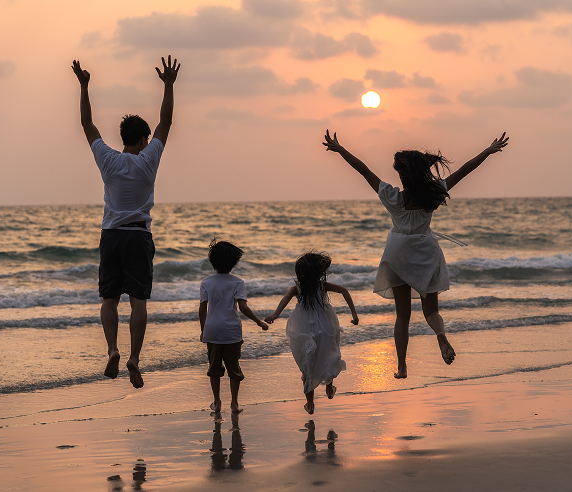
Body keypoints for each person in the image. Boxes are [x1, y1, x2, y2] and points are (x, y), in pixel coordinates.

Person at [323, 129, 509, 378]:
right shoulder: (433, 193)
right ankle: (440, 335)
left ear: (402, 174)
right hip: (425, 253)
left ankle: (401, 367)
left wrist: (340, 149)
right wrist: (487, 151)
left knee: (403, 316)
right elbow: (464, 171)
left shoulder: (392, 198)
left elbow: (363, 170)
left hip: (398, 254)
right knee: (431, 311)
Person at [71, 55, 181, 388]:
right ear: (144, 139)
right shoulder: (149, 159)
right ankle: (134, 357)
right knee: (138, 303)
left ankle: (111, 350)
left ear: (122, 138)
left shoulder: (108, 159)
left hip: (111, 236)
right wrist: (169, 85)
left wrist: (84, 85)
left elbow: (87, 125)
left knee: (108, 299)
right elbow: (166, 121)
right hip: (138, 236)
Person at [265, 251, 358, 414]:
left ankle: (310, 404)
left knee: (308, 365)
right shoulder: (322, 285)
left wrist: (275, 315)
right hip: (326, 327)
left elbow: (285, 300)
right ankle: (329, 389)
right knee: (328, 356)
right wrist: (354, 315)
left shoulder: (297, 288)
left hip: (305, 329)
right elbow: (344, 291)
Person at [200, 238, 268, 413]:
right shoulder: (238, 282)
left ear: (212, 261)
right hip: (232, 332)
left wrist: (203, 330)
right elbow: (243, 307)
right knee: (234, 369)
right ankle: (234, 404)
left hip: (213, 331)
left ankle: (216, 402)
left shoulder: (206, 282)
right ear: (234, 262)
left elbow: (202, 309)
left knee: (214, 369)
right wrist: (258, 321)